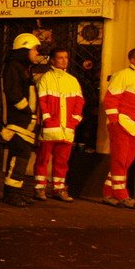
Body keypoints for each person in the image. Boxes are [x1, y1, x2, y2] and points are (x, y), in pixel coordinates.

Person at [101, 47, 135, 208]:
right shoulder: (123, 75)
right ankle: (122, 195)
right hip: (122, 124)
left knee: (126, 161)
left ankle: (108, 193)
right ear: (132, 60)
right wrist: (114, 122)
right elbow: (110, 99)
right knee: (120, 160)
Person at [34, 47, 84, 201]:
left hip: (67, 128)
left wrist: (74, 119)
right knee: (43, 159)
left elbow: (79, 101)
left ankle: (58, 189)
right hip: (51, 127)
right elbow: (42, 102)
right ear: (52, 60)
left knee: (62, 161)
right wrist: (48, 120)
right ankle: (39, 188)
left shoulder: (72, 80)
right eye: (60, 57)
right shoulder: (46, 79)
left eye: (66, 57)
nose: (64, 60)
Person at [0, 33, 41, 207]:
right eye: (34, 49)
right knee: (20, 155)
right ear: (25, 49)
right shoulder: (13, 67)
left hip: (24, 121)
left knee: (20, 156)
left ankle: (14, 191)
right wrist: (27, 110)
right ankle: (12, 194)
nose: (37, 53)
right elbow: (13, 92)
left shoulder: (23, 68)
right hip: (18, 121)